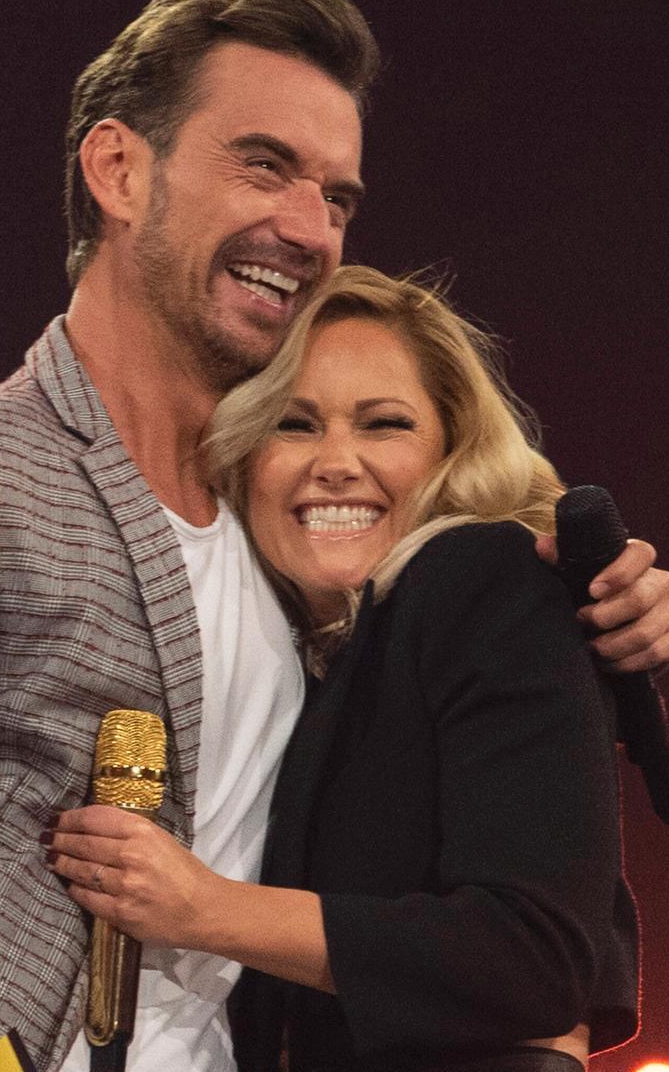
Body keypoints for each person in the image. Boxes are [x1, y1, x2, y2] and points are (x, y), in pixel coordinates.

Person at [0, 0, 669, 1072]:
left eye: (336, 196)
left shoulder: (294, 542)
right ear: (118, 170)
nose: (310, 228)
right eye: (264, 166)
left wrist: (600, 627)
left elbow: (456, 754)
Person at [45, 266, 638, 1072]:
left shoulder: (485, 576)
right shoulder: (304, 658)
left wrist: (204, 908)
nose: (335, 462)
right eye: (292, 425)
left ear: (453, 451)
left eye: (383, 424)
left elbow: (534, 959)